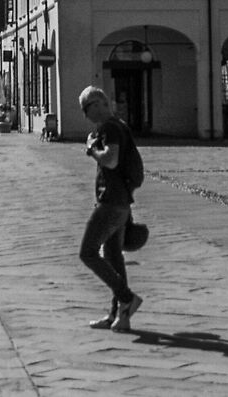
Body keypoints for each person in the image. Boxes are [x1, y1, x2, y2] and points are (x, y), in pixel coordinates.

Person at [77, 85, 144, 333]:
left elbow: (111, 160)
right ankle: (119, 316)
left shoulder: (109, 127)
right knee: (114, 258)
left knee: (88, 252)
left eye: (86, 108)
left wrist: (92, 150)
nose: (85, 115)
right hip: (121, 202)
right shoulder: (119, 125)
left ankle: (127, 298)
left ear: (98, 103)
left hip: (111, 203)